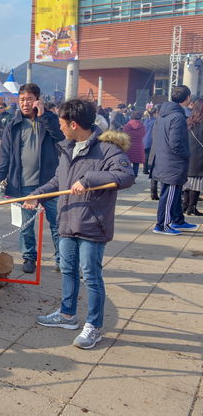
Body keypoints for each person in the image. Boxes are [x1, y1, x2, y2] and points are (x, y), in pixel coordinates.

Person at [26, 98, 134, 350]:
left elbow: (127, 176)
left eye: (62, 123)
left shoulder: (107, 149)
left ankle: (94, 326)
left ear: (73, 124)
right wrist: (37, 194)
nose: (60, 128)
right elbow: (59, 180)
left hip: (92, 224)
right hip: (67, 220)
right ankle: (67, 314)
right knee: (67, 270)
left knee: (91, 277)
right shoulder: (68, 147)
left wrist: (89, 179)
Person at [0, 83, 64, 273]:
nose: (25, 103)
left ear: (38, 100)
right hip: (22, 184)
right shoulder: (13, 125)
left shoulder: (49, 119)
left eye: (29, 99)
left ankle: (61, 259)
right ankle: (29, 257)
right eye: (22, 99)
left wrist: (43, 115)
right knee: (25, 226)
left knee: (57, 224)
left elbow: (59, 137)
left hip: (49, 183)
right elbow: (5, 154)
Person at [150, 85, 198, 235]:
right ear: (188, 97)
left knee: (175, 194)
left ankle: (177, 220)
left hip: (165, 160)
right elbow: (175, 143)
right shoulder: (177, 116)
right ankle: (162, 225)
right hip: (172, 162)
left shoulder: (164, 114)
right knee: (169, 195)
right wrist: (187, 155)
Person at [183, 98, 203, 216]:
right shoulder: (201, 122)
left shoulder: (188, 121)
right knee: (196, 183)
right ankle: (192, 207)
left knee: (188, 183)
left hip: (188, 156)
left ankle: (185, 205)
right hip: (199, 157)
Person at [122, 110, 145, 177]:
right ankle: (134, 177)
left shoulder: (127, 125)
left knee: (127, 162)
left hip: (128, 146)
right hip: (138, 146)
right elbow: (143, 134)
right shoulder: (142, 126)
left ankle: (128, 176)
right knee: (136, 163)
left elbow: (124, 135)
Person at [143, 105, 158, 176]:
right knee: (148, 156)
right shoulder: (155, 121)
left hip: (144, 139)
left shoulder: (146, 120)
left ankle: (145, 169)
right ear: (155, 113)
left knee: (145, 155)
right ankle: (146, 169)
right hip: (150, 140)